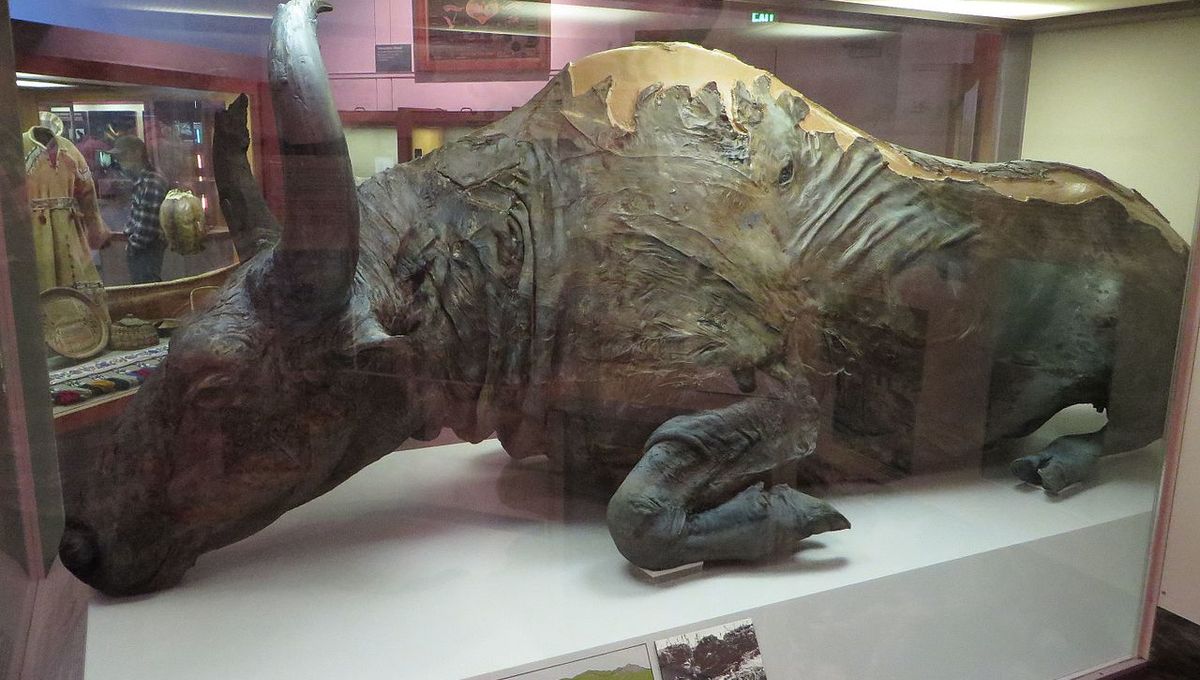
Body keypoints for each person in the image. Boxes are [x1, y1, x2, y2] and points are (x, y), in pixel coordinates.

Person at [111, 135, 169, 283]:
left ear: (137, 153)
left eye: (123, 155)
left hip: (147, 249)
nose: (119, 160)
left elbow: (148, 225)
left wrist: (133, 245)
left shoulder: (152, 181)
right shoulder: (141, 180)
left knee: (148, 289)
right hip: (142, 248)